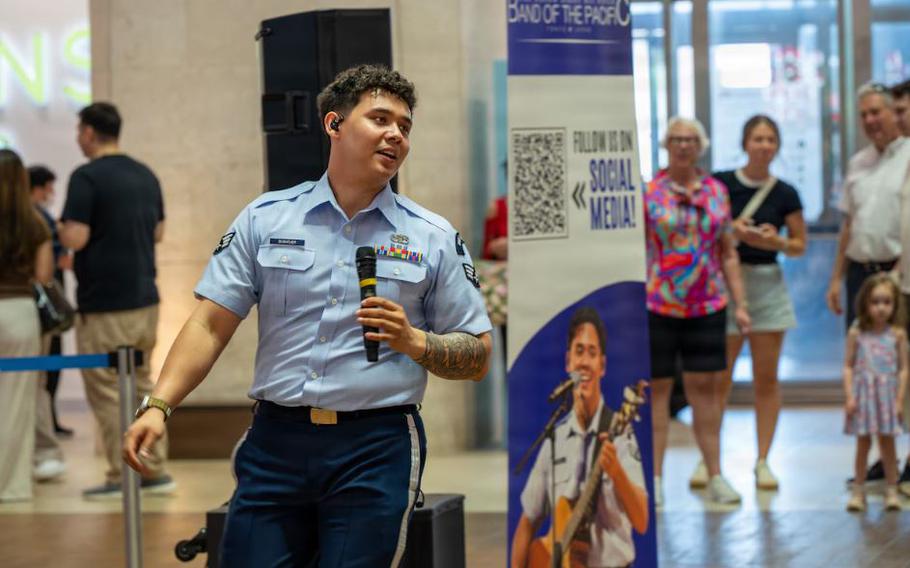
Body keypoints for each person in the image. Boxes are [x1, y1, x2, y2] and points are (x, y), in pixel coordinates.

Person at [122, 65, 493, 566]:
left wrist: (414, 341)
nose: (396, 135)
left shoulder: (433, 236)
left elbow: (478, 355)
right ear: (334, 125)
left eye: (405, 127)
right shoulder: (266, 218)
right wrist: (157, 406)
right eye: (380, 118)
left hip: (376, 446)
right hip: (277, 440)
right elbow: (209, 324)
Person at [59, 102, 174, 500]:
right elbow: (158, 232)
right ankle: (155, 470)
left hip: (105, 301)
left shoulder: (86, 177)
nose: (78, 138)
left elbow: (76, 237)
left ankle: (122, 474)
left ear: (90, 132)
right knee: (141, 384)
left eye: (79, 131)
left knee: (107, 389)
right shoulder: (145, 174)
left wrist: (59, 230)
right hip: (145, 297)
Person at [645, 117, 751, 506]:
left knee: (706, 392)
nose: (684, 146)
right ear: (666, 145)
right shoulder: (650, 193)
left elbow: (728, 252)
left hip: (707, 303)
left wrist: (741, 304)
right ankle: (653, 480)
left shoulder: (716, 191)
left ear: (700, 146)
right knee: (657, 392)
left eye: (691, 140)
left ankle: (715, 474)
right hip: (659, 303)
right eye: (677, 139)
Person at [510, 307, 648, 568]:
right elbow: (528, 522)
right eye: (579, 351)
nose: (584, 361)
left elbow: (641, 521)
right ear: (568, 361)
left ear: (602, 365)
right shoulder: (555, 437)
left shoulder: (620, 432)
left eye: (592, 353)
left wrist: (616, 471)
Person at [713, 115, 807, 490]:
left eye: (770, 139)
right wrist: (731, 232)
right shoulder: (721, 184)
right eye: (757, 138)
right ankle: (712, 462)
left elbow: (800, 245)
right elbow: (707, 232)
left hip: (768, 285)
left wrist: (776, 242)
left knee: (766, 379)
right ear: (744, 142)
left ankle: (764, 460)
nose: (764, 145)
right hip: (728, 285)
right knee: (719, 377)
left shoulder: (785, 193)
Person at [826, 83, 910, 329]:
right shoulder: (857, 163)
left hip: (896, 273)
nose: (869, 120)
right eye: (863, 115)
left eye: (875, 112)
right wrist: (835, 279)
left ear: (893, 112)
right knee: (861, 353)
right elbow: (849, 224)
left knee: (896, 354)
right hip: (859, 273)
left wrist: (898, 270)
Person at [0, 149, 53, 501]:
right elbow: (44, 276)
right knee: (17, 401)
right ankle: (11, 486)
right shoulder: (35, 223)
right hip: (19, 312)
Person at [843, 274, 908, 512]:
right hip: (864, 395)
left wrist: (899, 399)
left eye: (886, 302)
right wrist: (850, 395)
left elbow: (903, 369)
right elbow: (848, 365)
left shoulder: (897, 335)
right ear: (865, 303)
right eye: (875, 301)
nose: (881, 308)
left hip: (887, 396)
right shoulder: (857, 332)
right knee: (862, 444)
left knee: (887, 443)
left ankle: (892, 489)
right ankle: (858, 491)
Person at [27, 165, 69, 482]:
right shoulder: (37, 220)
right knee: (38, 383)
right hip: (30, 311)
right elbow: (46, 272)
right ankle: (44, 451)